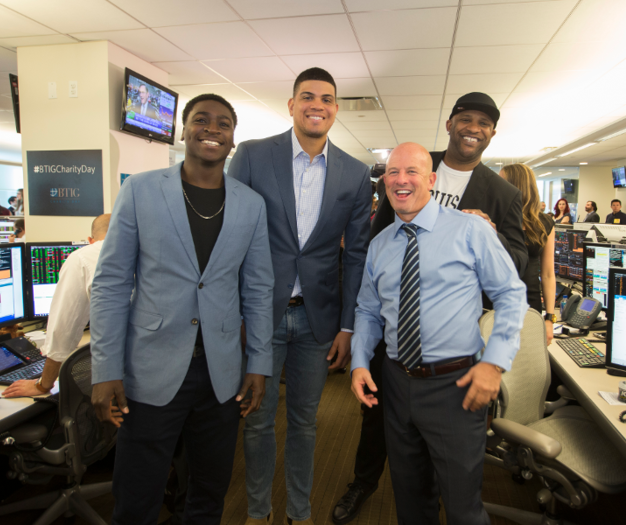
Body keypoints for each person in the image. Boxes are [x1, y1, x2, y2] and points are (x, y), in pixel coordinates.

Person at [332, 92, 527, 525]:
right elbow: (367, 310)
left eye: (413, 172)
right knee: (411, 501)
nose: (402, 180)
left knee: (462, 508)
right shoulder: (380, 245)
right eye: (393, 172)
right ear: (385, 183)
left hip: (455, 386)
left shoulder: (472, 231)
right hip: (396, 385)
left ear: (432, 179)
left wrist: (494, 364)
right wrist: (361, 362)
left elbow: (513, 294)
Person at [90, 94, 274, 525]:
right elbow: (111, 283)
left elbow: (259, 289)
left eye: (223, 123)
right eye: (201, 120)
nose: (212, 129)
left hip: (221, 374)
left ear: (233, 139)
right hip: (150, 368)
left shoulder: (251, 204)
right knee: (137, 497)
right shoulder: (140, 189)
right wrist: (105, 369)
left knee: (209, 494)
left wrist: (259, 364)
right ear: (183, 130)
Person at [228, 67, 371, 525]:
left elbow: (357, 257)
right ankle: (256, 512)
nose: (317, 105)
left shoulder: (354, 172)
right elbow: (230, 239)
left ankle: (299, 512)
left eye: (327, 98)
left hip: (317, 320)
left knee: (307, 423)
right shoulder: (251, 156)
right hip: (259, 316)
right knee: (257, 421)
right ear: (291, 105)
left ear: (335, 109)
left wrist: (348, 326)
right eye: (307, 96)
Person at [3, 214, 111, 398]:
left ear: (90, 241)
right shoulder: (150, 255)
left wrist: (43, 385)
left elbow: (63, 331)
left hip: (117, 380)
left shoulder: (83, 257)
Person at [500, 164, 556, 344]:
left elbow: (547, 274)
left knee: (527, 366)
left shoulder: (544, 222)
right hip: (496, 303)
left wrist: (549, 317)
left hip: (530, 305)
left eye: (502, 182)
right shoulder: (496, 217)